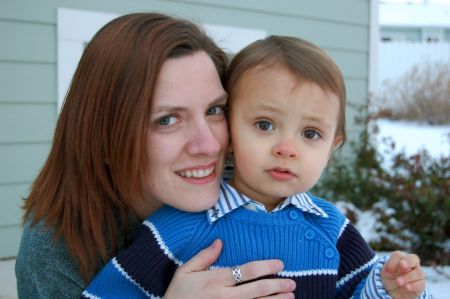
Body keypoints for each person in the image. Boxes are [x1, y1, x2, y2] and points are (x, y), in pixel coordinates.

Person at [83, 35, 431, 299]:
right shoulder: (179, 228)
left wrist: (388, 287)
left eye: (310, 133)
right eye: (265, 125)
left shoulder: (332, 229)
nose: (286, 149)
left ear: (332, 147)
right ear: (230, 131)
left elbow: (358, 292)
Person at [15, 13, 297, 299]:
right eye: (167, 120)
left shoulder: (259, 196)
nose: (209, 145)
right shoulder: (56, 248)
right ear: (104, 136)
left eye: (214, 110)